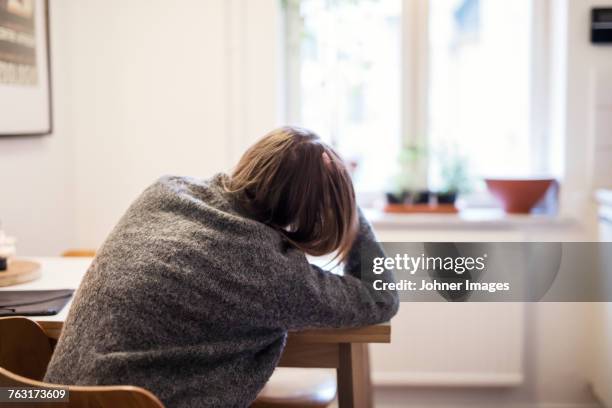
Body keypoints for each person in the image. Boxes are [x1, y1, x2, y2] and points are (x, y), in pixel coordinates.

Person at [45, 126, 399, 407]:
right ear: (310, 210)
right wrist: (349, 203)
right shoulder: (272, 272)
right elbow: (380, 298)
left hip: (43, 398)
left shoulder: (165, 192)